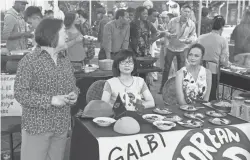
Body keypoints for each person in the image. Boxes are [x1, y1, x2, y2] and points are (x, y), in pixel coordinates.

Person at [14, 18, 79, 160]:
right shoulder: (30, 61)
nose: (67, 36)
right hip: (37, 126)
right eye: (64, 32)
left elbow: (73, 86)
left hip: (61, 125)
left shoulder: (64, 60)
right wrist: (50, 100)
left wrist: (74, 94)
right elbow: (20, 93)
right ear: (52, 35)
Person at [159, 5, 197, 94]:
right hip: (171, 47)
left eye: (188, 12)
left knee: (181, 70)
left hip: (182, 48)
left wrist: (190, 40)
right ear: (181, 12)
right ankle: (162, 88)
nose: (187, 14)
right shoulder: (173, 21)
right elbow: (166, 31)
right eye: (185, 11)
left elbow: (193, 35)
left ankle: (180, 89)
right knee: (166, 68)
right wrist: (168, 34)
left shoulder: (191, 24)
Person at [197, 15, 231, 101]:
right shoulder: (222, 40)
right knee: (210, 96)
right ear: (222, 27)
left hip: (198, 68)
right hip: (212, 71)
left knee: (197, 94)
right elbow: (224, 60)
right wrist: (228, 65)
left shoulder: (201, 37)